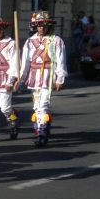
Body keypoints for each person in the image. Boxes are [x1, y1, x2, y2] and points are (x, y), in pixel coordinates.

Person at [19, 11, 66, 147]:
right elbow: (25, 62)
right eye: (39, 25)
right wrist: (22, 79)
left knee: (43, 105)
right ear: (36, 26)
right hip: (34, 76)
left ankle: (41, 133)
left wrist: (60, 78)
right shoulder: (29, 41)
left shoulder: (56, 40)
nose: (42, 28)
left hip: (48, 76)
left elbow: (60, 60)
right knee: (36, 106)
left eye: (45, 25)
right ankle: (41, 128)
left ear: (49, 26)